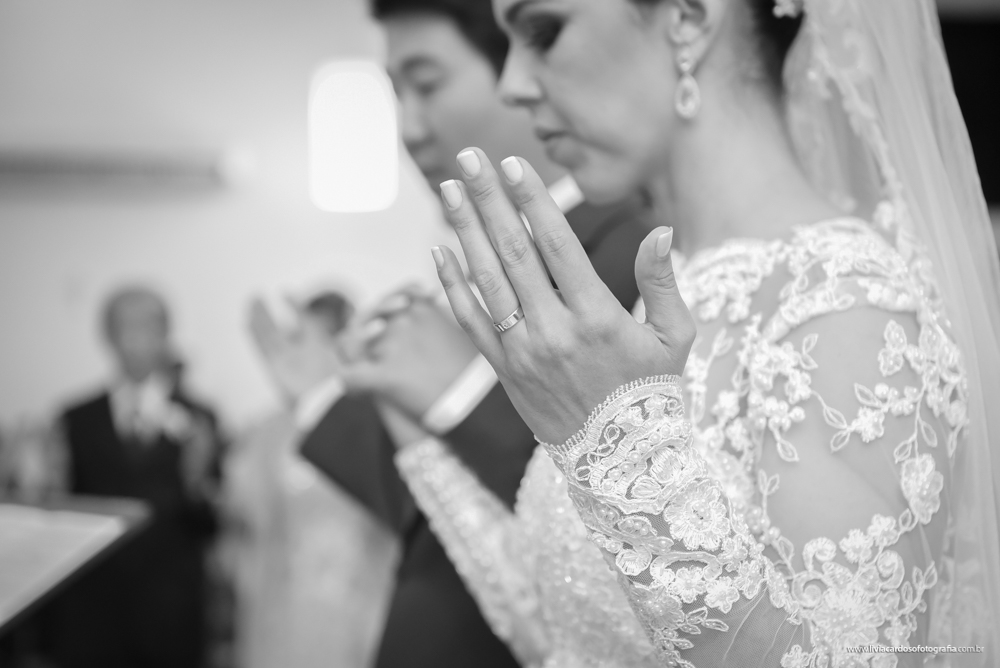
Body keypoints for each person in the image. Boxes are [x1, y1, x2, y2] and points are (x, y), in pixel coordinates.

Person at [370, 0, 1000, 666]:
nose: (513, 84)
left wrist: (618, 449)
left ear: (690, 19)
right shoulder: (671, 287)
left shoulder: (839, 302)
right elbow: (570, 631)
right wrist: (424, 444)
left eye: (543, 31)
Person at [249, 1, 653, 666]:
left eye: (427, 84)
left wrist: (460, 395)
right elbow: (431, 507)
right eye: (394, 93)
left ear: (524, 69)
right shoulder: (490, 266)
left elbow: (627, 523)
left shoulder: (624, 254)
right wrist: (324, 397)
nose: (407, 128)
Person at [43, 286, 224, 668]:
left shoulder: (201, 418)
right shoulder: (75, 419)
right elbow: (62, 516)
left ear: (166, 334)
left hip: (173, 614)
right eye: (127, 326)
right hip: (94, 614)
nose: (139, 338)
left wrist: (197, 478)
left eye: (150, 325)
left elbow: (211, 525)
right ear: (108, 336)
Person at [228, 290, 398, 668]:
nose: (291, 351)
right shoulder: (266, 431)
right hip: (280, 605)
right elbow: (246, 519)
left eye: (302, 338)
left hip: (359, 607)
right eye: (290, 339)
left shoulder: (382, 420)